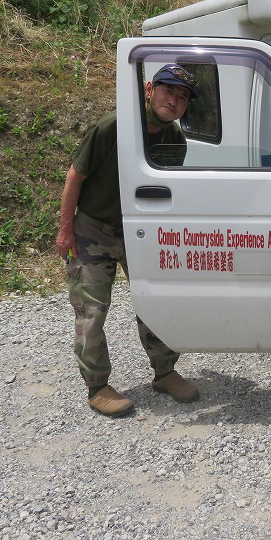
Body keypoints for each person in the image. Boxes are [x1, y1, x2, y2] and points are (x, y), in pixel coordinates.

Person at [56, 65, 201, 417]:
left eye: (183, 97)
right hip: (94, 229)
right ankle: (97, 386)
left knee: (157, 301)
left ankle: (165, 372)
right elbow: (75, 176)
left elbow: (168, 190)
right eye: (169, 91)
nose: (175, 101)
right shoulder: (113, 127)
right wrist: (65, 229)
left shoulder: (174, 140)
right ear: (149, 90)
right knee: (91, 310)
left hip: (140, 231)